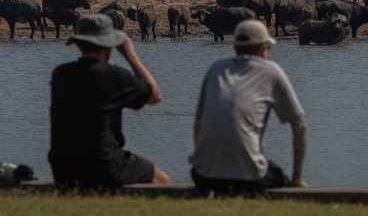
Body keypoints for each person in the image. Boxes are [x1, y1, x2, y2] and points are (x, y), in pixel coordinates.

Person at [49, 14, 171, 189]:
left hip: (62, 167)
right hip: (104, 164)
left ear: (77, 43)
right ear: (108, 45)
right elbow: (155, 97)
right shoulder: (115, 76)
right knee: (162, 180)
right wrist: (130, 55)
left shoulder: (60, 74)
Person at [189, 20, 307, 195]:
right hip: (249, 176)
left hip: (203, 176)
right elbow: (299, 126)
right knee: (280, 177)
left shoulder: (216, 68)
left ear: (235, 47)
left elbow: (198, 125)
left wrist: (206, 165)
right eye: (268, 48)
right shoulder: (271, 70)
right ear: (261, 49)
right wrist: (297, 179)